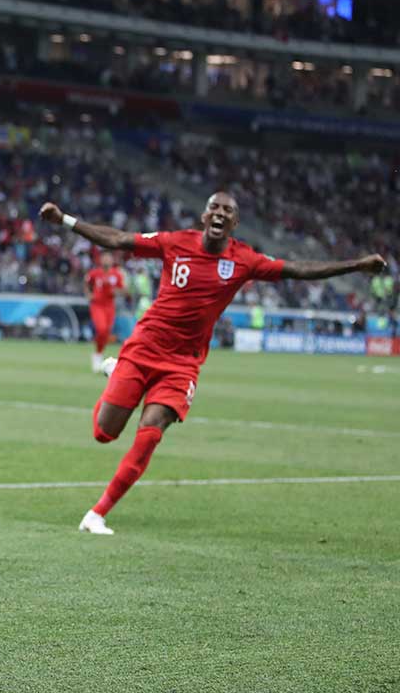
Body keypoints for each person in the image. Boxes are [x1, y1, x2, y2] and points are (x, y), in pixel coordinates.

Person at [40, 194, 387, 535]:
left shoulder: (244, 260)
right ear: (204, 216)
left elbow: (297, 269)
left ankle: (97, 514)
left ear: (234, 223)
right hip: (144, 347)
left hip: (182, 364)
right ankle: (115, 371)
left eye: (228, 211)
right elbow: (117, 238)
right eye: (214, 208)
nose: (220, 214)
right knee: (104, 433)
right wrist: (66, 220)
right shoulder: (174, 242)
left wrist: (355, 265)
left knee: (151, 431)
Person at [85, 250, 125, 372]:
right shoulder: (95, 273)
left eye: (109, 258)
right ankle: (98, 355)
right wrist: (89, 294)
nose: (106, 260)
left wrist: (116, 292)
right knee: (101, 329)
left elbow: (123, 290)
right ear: (101, 260)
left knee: (106, 332)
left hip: (109, 306)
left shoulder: (116, 274)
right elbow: (87, 283)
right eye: (104, 258)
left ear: (112, 260)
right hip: (97, 305)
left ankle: (98, 353)